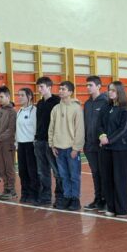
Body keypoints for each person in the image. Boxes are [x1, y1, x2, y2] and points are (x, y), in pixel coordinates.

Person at [98, 81, 127, 217]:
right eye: (109, 90)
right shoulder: (106, 107)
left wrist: (109, 139)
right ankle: (111, 207)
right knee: (107, 178)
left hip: (121, 149)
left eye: (113, 90)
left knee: (120, 179)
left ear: (120, 91)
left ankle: (122, 209)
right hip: (106, 148)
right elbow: (99, 124)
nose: (110, 92)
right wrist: (101, 135)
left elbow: (124, 129)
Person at [48, 81, 85, 211]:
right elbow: (51, 128)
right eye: (60, 88)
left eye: (63, 89)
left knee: (74, 175)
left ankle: (75, 199)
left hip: (71, 148)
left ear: (70, 92)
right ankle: (67, 197)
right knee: (63, 175)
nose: (60, 91)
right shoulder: (56, 109)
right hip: (58, 148)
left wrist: (76, 148)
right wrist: (52, 145)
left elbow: (79, 129)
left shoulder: (76, 108)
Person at [34, 77, 63, 207]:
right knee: (42, 171)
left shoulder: (57, 102)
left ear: (49, 87)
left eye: (42, 87)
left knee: (57, 171)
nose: (39, 89)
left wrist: (55, 141)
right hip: (39, 141)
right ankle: (45, 196)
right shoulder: (40, 103)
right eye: (38, 87)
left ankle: (60, 197)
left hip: (52, 142)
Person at [83, 75, 110, 211]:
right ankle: (98, 198)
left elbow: (108, 123)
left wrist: (104, 138)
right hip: (89, 145)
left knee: (103, 173)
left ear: (99, 86)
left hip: (101, 145)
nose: (88, 87)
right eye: (87, 85)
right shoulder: (87, 104)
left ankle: (105, 200)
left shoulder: (105, 102)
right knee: (95, 172)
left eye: (91, 85)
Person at [0, 86, 18, 200]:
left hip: (7, 144)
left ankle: (12, 190)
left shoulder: (12, 112)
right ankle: (6, 188)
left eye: (1, 97)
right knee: (1, 168)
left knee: (8, 167)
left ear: (8, 97)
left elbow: (11, 129)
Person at [16, 88, 39, 204]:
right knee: (22, 171)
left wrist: (35, 143)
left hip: (31, 145)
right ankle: (25, 193)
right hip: (21, 145)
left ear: (29, 96)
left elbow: (36, 128)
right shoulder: (19, 111)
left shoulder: (34, 111)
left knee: (32, 171)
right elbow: (17, 129)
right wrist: (16, 143)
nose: (19, 97)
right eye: (18, 95)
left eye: (22, 95)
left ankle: (34, 194)